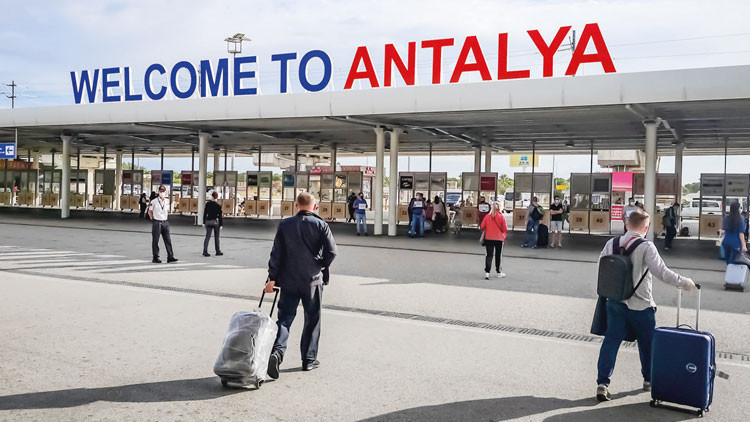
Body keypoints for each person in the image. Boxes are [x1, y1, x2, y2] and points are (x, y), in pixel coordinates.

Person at [595, 209, 696, 402]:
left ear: (627, 224)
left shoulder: (611, 243)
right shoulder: (646, 247)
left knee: (611, 342)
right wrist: (685, 283)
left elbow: (602, 267)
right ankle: (649, 380)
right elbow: (662, 272)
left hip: (615, 302)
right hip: (641, 304)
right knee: (647, 344)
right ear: (646, 227)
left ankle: (602, 383)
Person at [265, 192, 337, 378]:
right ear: (315, 206)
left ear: (296, 206)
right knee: (312, 319)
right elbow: (332, 251)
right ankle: (309, 359)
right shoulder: (321, 225)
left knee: (284, 319)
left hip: (289, 280)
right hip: (312, 280)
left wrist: (272, 278)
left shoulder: (285, 224)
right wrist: (321, 264)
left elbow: (276, 253)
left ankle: (277, 352)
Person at [148, 185, 178, 264]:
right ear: (158, 191)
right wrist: (152, 218)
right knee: (155, 240)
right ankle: (155, 257)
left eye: (163, 191)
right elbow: (150, 211)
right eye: (161, 191)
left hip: (165, 222)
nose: (162, 192)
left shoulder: (167, 201)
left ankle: (170, 256)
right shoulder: (154, 201)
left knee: (168, 240)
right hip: (157, 222)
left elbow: (167, 210)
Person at [480, 202, 508, 279]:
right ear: (499, 208)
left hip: (489, 238)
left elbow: (482, 226)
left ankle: (487, 272)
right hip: (499, 238)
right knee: (498, 255)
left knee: (489, 255)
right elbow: (505, 229)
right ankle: (498, 272)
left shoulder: (487, 216)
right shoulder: (501, 217)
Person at [720, 202, 749, 266]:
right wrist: (744, 245)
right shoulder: (740, 219)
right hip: (735, 243)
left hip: (726, 242)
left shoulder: (726, 218)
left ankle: (728, 270)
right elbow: (741, 234)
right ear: (738, 209)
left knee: (728, 261)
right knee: (734, 261)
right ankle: (731, 271)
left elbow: (723, 230)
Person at [202, 191, 224, 257]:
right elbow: (220, 216)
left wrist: (203, 222)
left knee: (207, 237)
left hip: (208, 221)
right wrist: (221, 224)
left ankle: (205, 251)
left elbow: (205, 213)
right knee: (216, 237)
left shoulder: (207, 204)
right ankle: (217, 251)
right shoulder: (218, 205)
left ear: (212, 196)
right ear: (217, 197)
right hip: (215, 222)